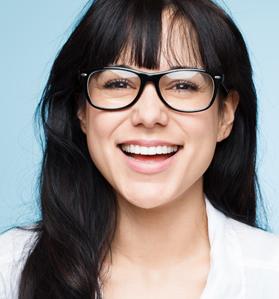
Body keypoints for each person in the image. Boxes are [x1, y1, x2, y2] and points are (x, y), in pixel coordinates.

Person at [1, 0, 279, 298]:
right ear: (80, 109)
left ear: (225, 115)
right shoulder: (10, 270)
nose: (148, 115)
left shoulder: (270, 275)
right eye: (118, 83)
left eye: (183, 85)